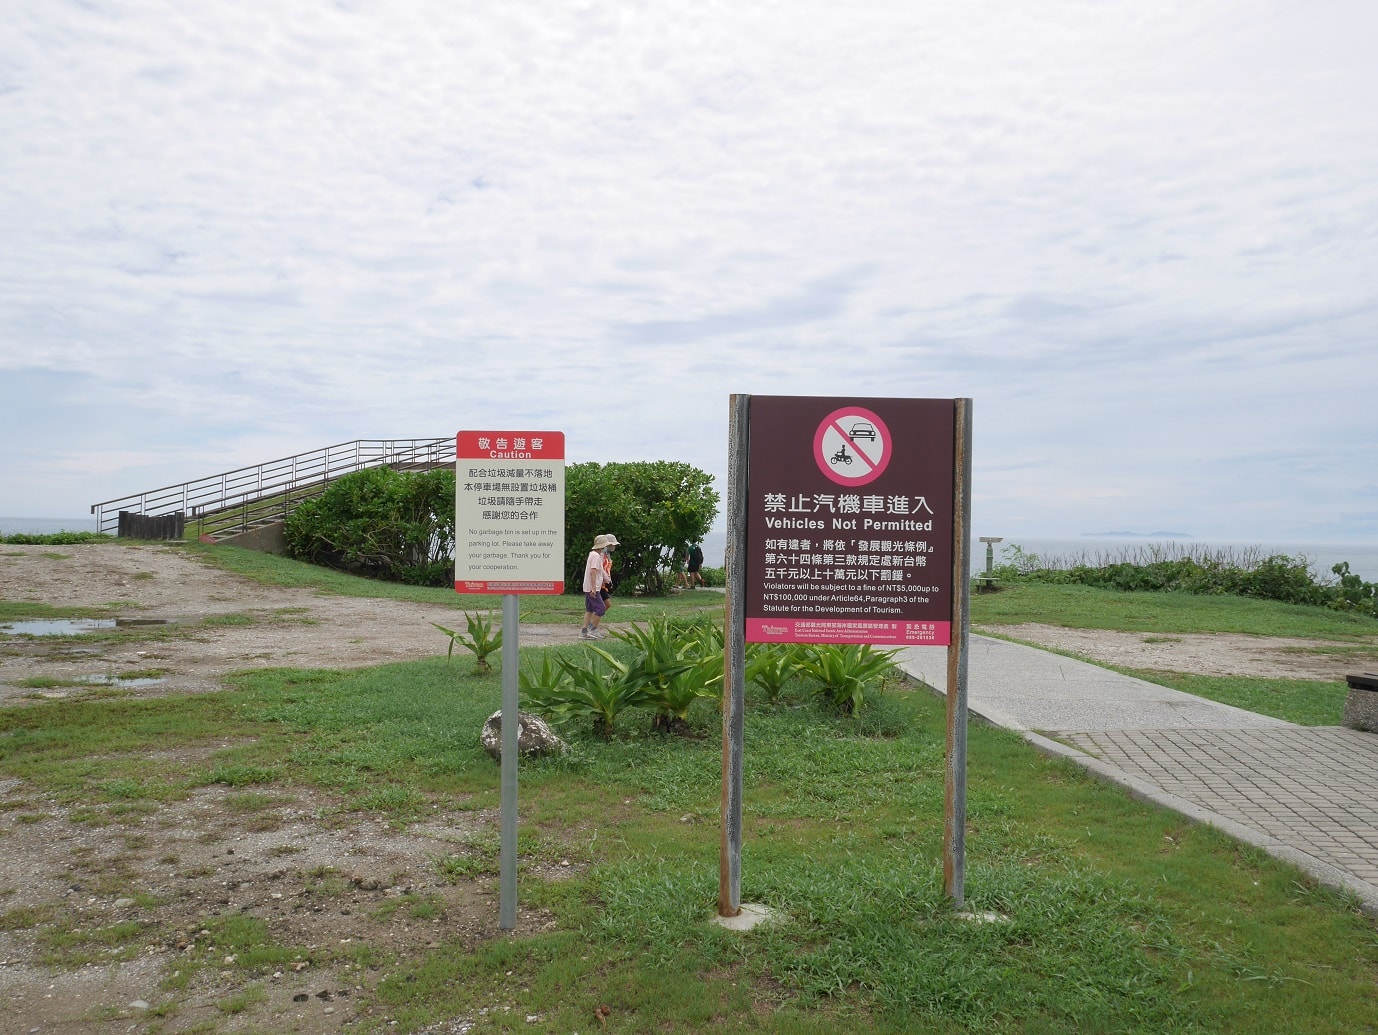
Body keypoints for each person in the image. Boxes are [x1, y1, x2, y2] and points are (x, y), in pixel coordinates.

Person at [581, 533, 617, 639]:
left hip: (590, 586)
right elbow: (594, 572)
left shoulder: (592, 554)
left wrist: (607, 579)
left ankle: (584, 631)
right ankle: (593, 629)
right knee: (601, 608)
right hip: (595, 587)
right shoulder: (597, 556)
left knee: (589, 609)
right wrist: (594, 587)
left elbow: (599, 570)